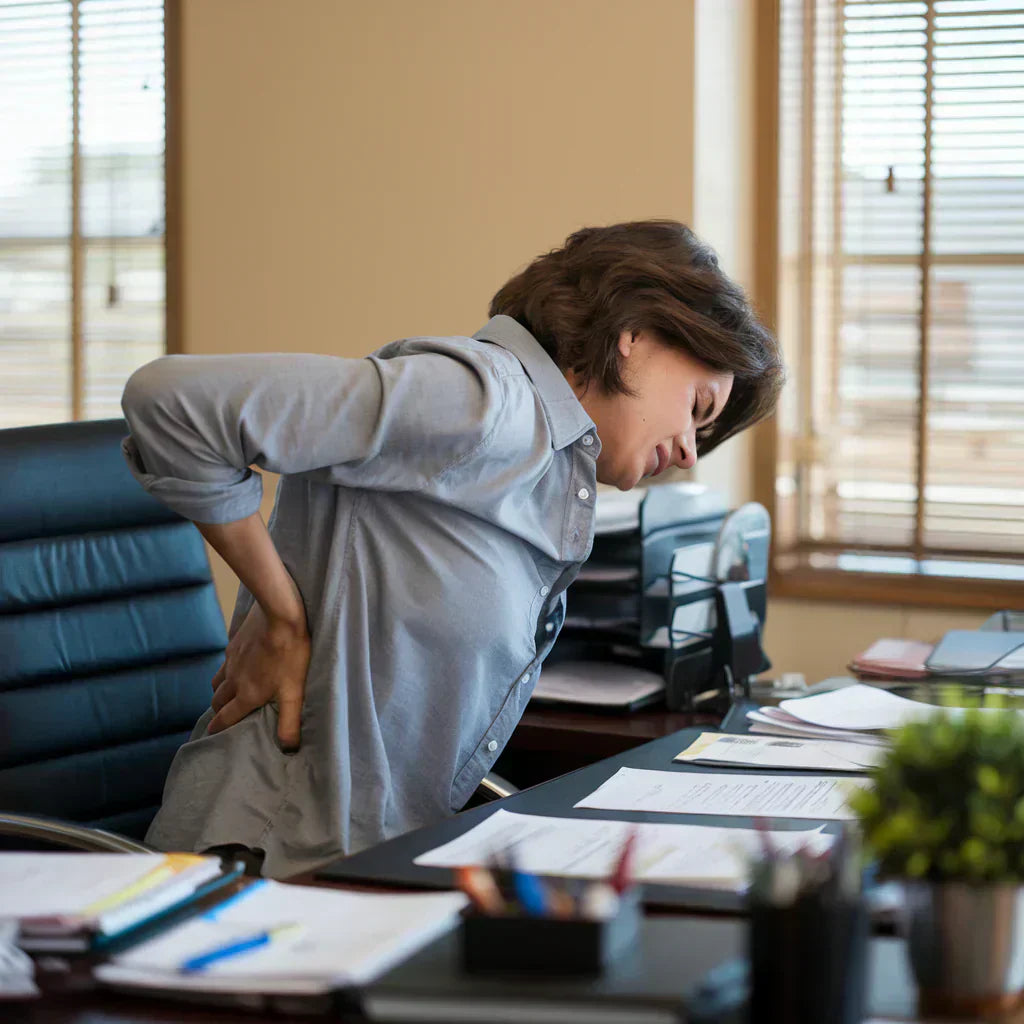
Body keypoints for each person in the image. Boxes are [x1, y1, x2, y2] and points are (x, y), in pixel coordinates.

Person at [121, 220, 783, 878]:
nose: (693, 452)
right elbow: (171, 403)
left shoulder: (544, 463)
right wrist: (283, 612)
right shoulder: (484, 400)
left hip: (367, 865)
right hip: (263, 865)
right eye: (698, 407)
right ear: (634, 336)